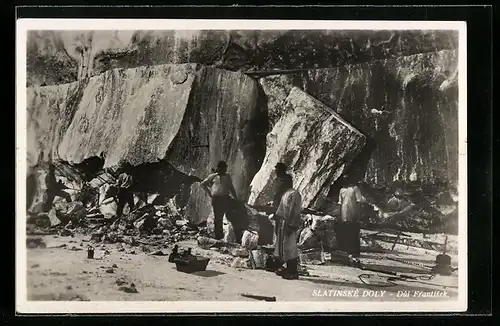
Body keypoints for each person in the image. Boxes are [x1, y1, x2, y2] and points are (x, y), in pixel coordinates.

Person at [270, 176, 302, 280]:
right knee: (284, 247)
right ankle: (287, 268)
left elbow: (294, 211)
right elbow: (280, 210)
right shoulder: (285, 193)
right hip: (283, 222)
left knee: (290, 247)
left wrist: (291, 225)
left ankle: (293, 271)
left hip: (289, 223)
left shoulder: (294, 194)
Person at [201, 161, 239, 240]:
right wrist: (209, 193)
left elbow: (231, 188)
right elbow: (203, 184)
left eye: (224, 168)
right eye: (221, 168)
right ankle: (218, 236)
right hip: (216, 199)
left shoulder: (227, 177)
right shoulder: (213, 176)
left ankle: (232, 236)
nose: (223, 169)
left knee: (227, 216)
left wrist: (236, 198)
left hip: (225, 198)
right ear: (218, 168)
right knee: (218, 218)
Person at [336, 173, 368, 264]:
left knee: (354, 234)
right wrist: (338, 214)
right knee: (346, 233)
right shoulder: (342, 190)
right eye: (343, 179)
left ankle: (355, 253)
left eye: (346, 179)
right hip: (344, 215)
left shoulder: (355, 189)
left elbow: (359, 202)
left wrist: (357, 214)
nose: (344, 180)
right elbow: (340, 203)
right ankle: (346, 251)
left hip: (353, 214)